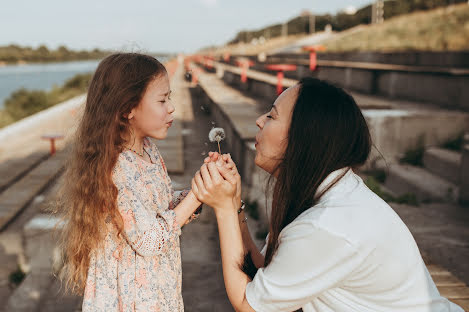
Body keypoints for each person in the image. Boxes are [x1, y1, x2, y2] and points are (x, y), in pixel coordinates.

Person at [192, 77, 463, 312]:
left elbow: (250, 304)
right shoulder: (322, 195)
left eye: (272, 116)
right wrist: (233, 201)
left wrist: (225, 210)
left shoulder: (325, 224)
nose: (259, 121)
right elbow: (265, 269)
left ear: (303, 137)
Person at [57, 53, 202, 311]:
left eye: (170, 97)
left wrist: (200, 190)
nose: (171, 107)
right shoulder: (115, 168)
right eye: (162, 100)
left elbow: (159, 205)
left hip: (156, 287)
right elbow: (147, 239)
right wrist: (196, 196)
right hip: (132, 297)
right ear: (127, 108)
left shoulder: (148, 150)